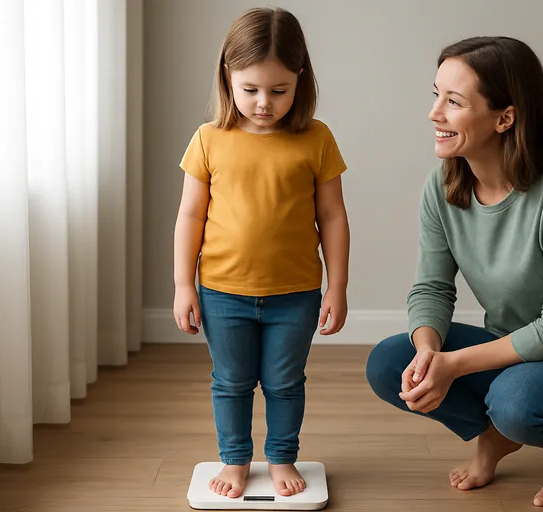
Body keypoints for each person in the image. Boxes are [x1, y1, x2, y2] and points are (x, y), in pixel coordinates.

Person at [365, 36, 543, 509]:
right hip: (517, 351)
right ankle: (495, 436)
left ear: (504, 118)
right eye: (435, 95)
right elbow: (432, 288)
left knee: (515, 402)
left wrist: (454, 366)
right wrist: (429, 352)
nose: (434, 113)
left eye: (454, 102)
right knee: (391, 361)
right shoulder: (443, 185)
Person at [173, 7, 350, 499]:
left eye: (279, 90)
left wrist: (337, 287)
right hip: (221, 292)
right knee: (230, 382)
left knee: (285, 382)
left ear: (300, 79)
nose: (264, 103)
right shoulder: (209, 139)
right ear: (227, 77)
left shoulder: (316, 139)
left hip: (296, 294)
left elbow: (332, 216)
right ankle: (235, 459)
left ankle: (281, 456)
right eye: (250, 89)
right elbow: (190, 216)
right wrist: (184, 285)